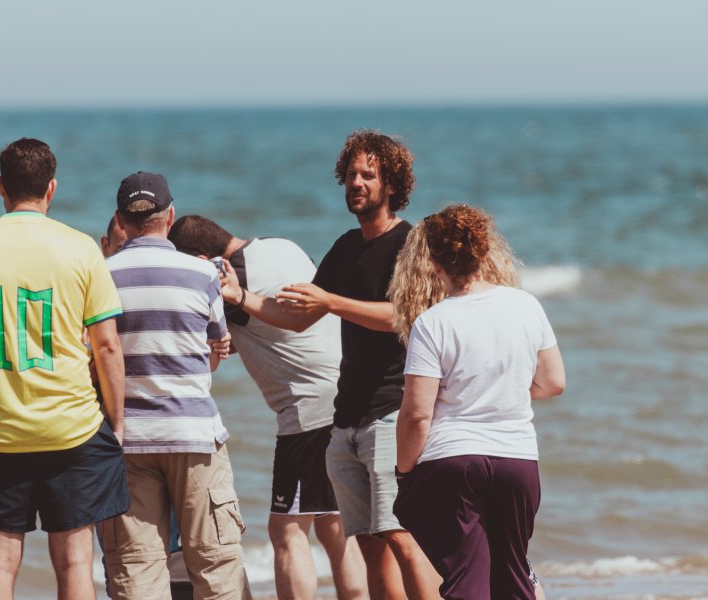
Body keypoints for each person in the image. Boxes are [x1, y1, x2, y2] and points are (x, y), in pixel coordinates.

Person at [218, 130, 440, 599]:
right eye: (351, 175)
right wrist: (243, 298)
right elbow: (298, 317)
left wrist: (334, 301)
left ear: (392, 184)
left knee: (402, 538)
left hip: (390, 413)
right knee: (368, 545)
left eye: (368, 175)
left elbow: (406, 316)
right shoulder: (345, 247)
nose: (356, 183)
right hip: (346, 420)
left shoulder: (411, 243)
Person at [0, 139, 129, 600]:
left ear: (1, 188)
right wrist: (115, 423)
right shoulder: (81, 249)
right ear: (52, 189)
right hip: (73, 428)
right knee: (76, 560)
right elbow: (107, 347)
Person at [170, 215, 368, 600]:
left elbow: (200, 346)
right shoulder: (282, 245)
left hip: (307, 411)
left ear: (201, 257)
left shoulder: (229, 280)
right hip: (344, 394)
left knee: (287, 531)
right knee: (335, 526)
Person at [391, 204, 566, 600]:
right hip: (517, 460)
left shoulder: (432, 322)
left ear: (434, 263)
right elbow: (554, 382)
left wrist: (404, 472)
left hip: (453, 461)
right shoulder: (526, 305)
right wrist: (508, 391)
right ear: (484, 253)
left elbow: (417, 414)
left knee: (467, 581)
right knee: (515, 577)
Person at [100, 172, 249, 600]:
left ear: (120, 221)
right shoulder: (201, 273)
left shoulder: (101, 274)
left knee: (136, 571)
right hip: (193, 436)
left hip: (128, 440)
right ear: (171, 217)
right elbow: (215, 350)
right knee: (216, 567)